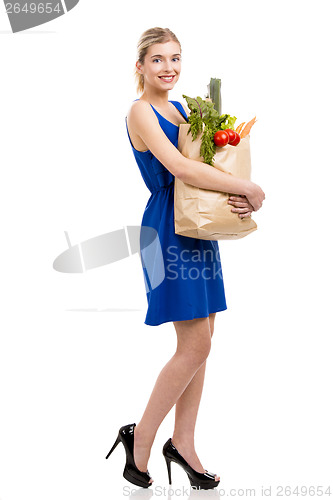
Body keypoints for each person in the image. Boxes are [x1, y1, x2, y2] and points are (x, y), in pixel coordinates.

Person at [105, 27, 265, 490]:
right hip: (166, 230)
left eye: (175, 58)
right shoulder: (141, 111)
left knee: (204, 340)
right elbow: (177, 167)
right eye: (157, 59)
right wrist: (248, 189)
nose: (168, 67)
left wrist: (233, 193)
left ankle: (184, 443)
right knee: (194, 343)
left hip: (196, 224)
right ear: (140, 67)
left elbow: (209, 167)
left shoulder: (181, 108)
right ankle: (142, 439)